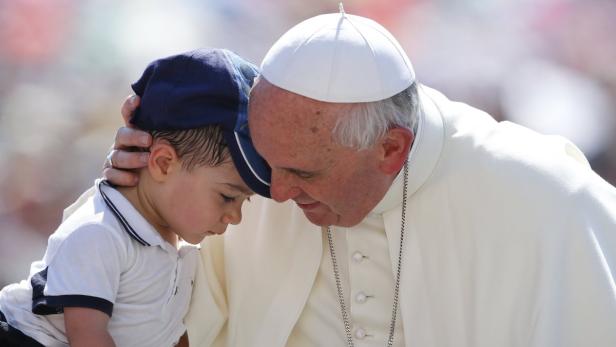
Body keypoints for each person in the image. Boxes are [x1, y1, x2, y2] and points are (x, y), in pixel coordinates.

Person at [106, 8, 616, 347]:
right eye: (267, 162)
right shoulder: (236, 172)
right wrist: (134, 198)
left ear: (392, 149)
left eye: (302, 172)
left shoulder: (551, 205)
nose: (275, 193)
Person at [0, 48, 270, 347]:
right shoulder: (98, 234)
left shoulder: (176, 247)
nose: (236, 217)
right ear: (164, 163)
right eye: (227, 196)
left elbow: (166, 333)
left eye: (244, 201)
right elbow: (87, 336)